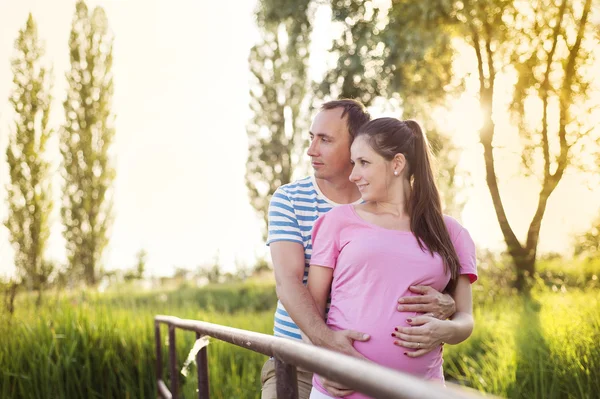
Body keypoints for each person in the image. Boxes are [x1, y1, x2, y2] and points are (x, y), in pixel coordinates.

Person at [261, 100, 459, 399]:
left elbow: (420, 270)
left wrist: (450, 303)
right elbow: (288, 282)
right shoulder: (289, 199)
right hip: (301, 359)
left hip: (386, 372)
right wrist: (327, 352)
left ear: (358, 146)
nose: (311, 150)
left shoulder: (391, 204)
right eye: (311, 138)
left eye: (325, 140)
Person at [306, 118, 478, 399]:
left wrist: (445, 330)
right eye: (353, 163)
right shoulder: (337, 222)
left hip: (423, 390)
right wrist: (321, 362)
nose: (353, 175)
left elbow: (465, 319)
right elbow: (310, 308)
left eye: (363, 162)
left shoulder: (452, 233)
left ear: (397, 164)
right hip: (342, 391)